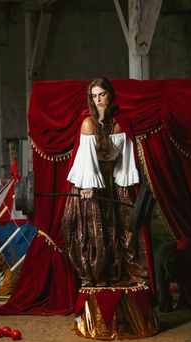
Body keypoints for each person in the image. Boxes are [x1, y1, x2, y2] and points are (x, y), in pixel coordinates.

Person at [62, 77, 148, 287]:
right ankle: (92, 275)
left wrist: (125, 180)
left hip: (113, 178)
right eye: (94, 96)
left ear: (110, 95)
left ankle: (124, 270)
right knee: (90, 226)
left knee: (121, 223)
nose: (98, 99)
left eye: (102, 94)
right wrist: (88, 185)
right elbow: (87, 157)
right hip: (89, 180)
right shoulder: (88, 123)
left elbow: (126, 155)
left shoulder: (121, 122)